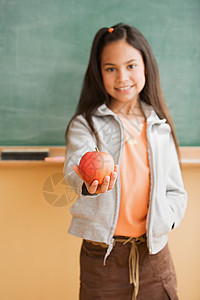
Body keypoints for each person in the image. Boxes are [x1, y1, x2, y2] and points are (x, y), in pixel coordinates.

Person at [64, 23, 187, 300]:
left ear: (146, 66)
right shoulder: (87, 125)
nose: (122, 77)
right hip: (102, 259)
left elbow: (176, 191)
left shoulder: (159, 127)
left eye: (131, 66)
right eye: (111, 68)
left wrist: (166, 221)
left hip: (154, 255)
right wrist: (87, 182)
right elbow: (74, 166)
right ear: (99, 72)